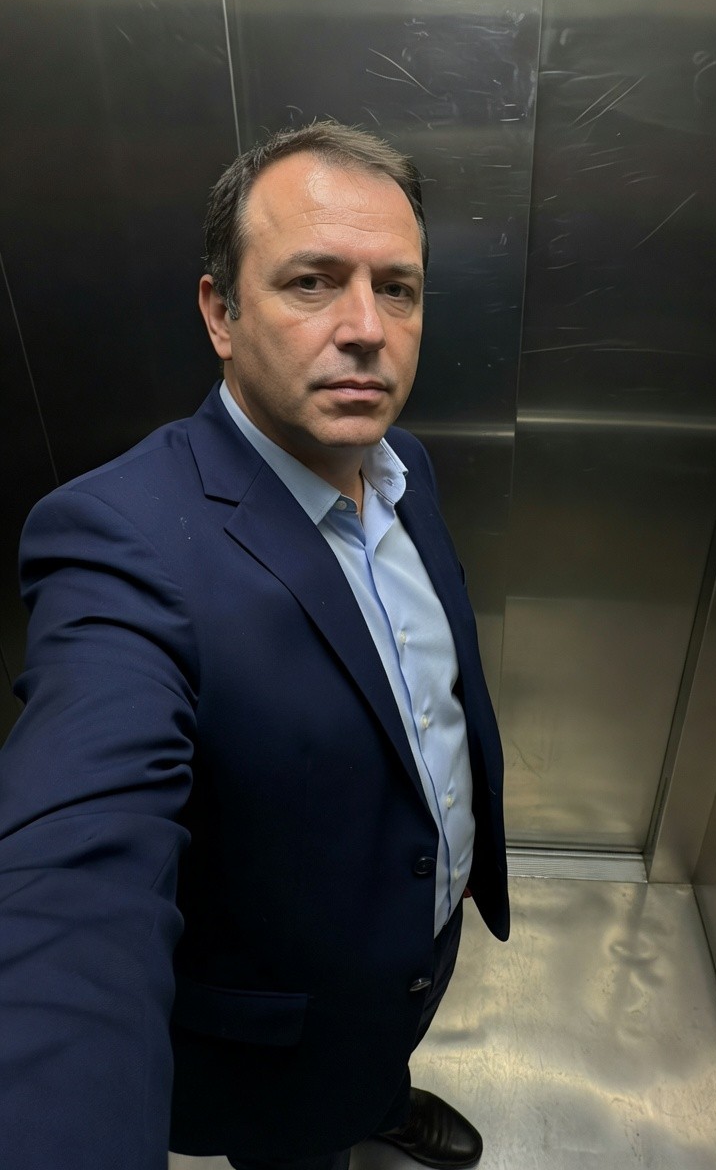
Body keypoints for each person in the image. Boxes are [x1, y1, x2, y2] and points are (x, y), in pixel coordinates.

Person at [0, 122, 509, 1170]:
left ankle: (380, 1096)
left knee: (371, 1064)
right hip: (273, 1031)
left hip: (410, 938)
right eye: (314, 283)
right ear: (221, 314)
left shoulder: (402, 463)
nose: (367, 329)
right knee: (297, 1144)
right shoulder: (119, 544)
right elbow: (69, 882)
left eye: (398, 289)